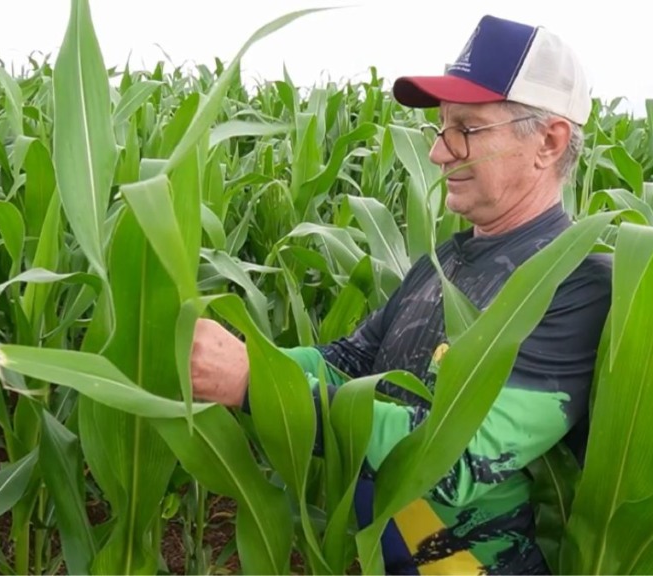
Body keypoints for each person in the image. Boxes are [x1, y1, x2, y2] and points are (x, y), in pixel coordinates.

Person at [189, 14, 612, 575]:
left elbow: (455, 460)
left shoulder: (575, 285)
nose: (439, 154)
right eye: (441, 129)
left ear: (548, 142)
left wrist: (254, 385)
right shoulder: (443, 263)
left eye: (467, 128)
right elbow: (349, 364)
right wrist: (234, 358)